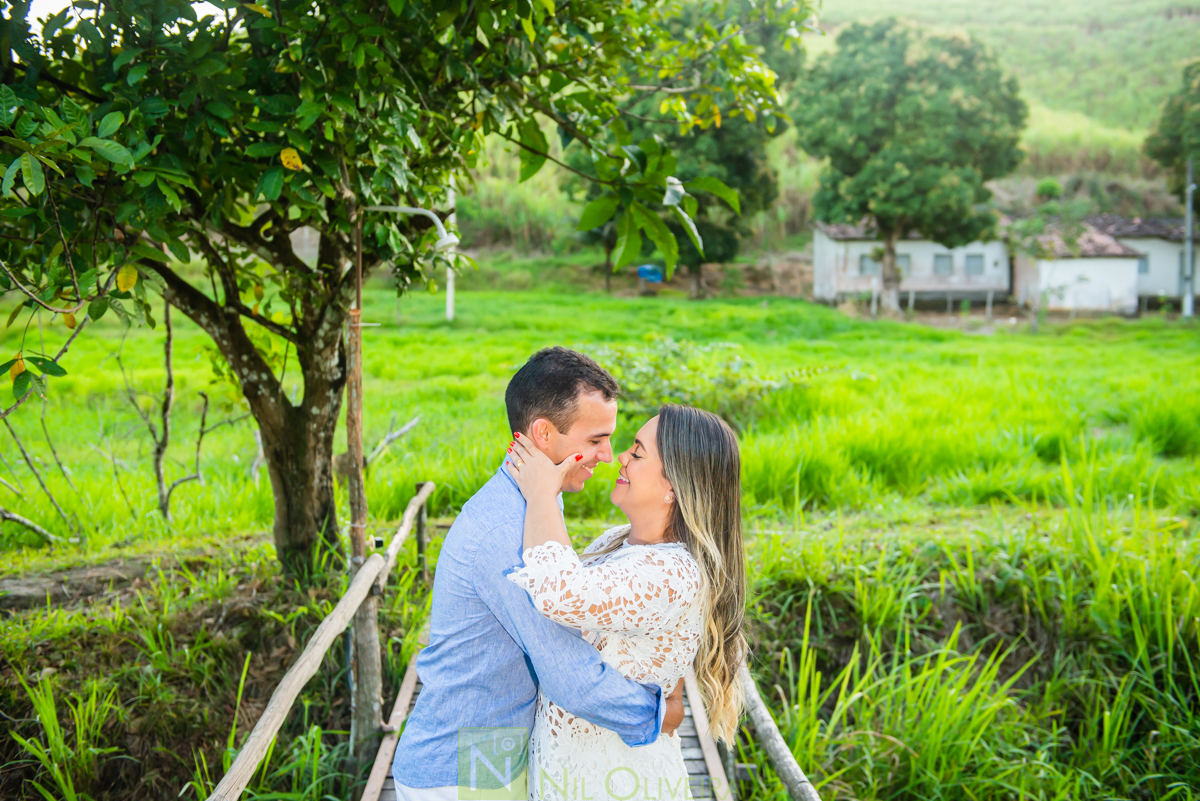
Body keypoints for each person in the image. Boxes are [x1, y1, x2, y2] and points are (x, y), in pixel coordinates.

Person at [392, 347, 685, 800]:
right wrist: (655, 712)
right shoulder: (507, 530)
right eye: (594, 440)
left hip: (493, 750)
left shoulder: (537, 499)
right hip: (464, 766)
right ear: (543, 434)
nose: (608, 456)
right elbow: (568, 674)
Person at [504, 403, 747, 801]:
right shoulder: (618, 541)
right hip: (571, 770)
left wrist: (541, 492)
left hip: (616, 782)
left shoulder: (671, 573)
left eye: (636, 452)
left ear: (674, 487)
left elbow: (560, 594)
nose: (621, 457)